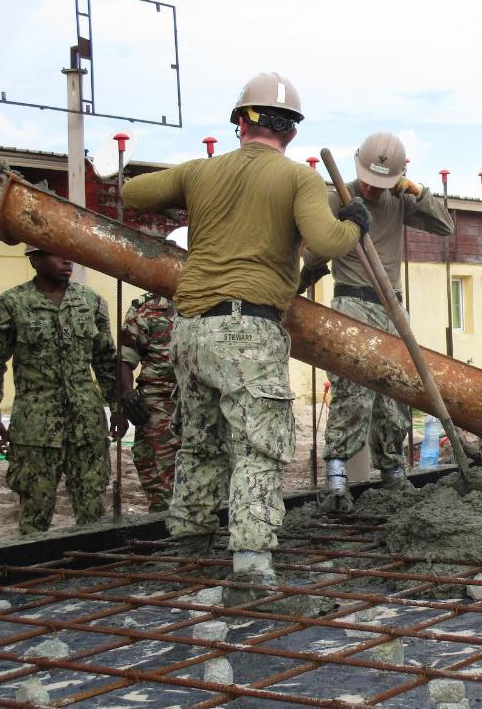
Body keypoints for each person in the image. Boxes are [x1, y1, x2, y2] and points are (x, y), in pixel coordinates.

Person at [122, 72, 366, 606]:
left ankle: (186, 546)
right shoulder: (297, 179)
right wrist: (354, 226)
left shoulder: (201, 172)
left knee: (201, 443)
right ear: (292, 132)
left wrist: (197, 195)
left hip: (189, 331)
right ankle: (252, 574)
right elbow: (325, 240)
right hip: (246, 331)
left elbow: (132, 190)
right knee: (259, 449)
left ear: (240, 122)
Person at [300, 132, 454, 513]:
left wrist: (415, 189)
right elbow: (317, 252)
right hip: (352, 299)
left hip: (391, 306)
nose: (372, 187)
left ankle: (392, 472)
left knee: (396, 392)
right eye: (369, 178)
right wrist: (345, 229)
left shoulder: (399, 199)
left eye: (383, 182)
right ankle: (337, 477)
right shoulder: (338, 195)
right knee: (354, 389)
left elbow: (445, 225)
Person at [0, 246, 126, 534]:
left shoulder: (90, 302)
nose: (67, 260)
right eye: (55, 254)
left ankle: (90, 567)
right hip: (36, 430)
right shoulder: (11, 305)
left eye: (69, 253)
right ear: (35, 260)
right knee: (34, 514)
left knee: (93, 512)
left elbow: (105, 360)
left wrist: (117, 407)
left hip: (86, 425)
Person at [118, 289, 178, 513]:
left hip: (202, 405)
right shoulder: (147, 307)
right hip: (159, 407)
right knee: (162, 491)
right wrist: (126, 394)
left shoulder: (213, 300)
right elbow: (125, 357)